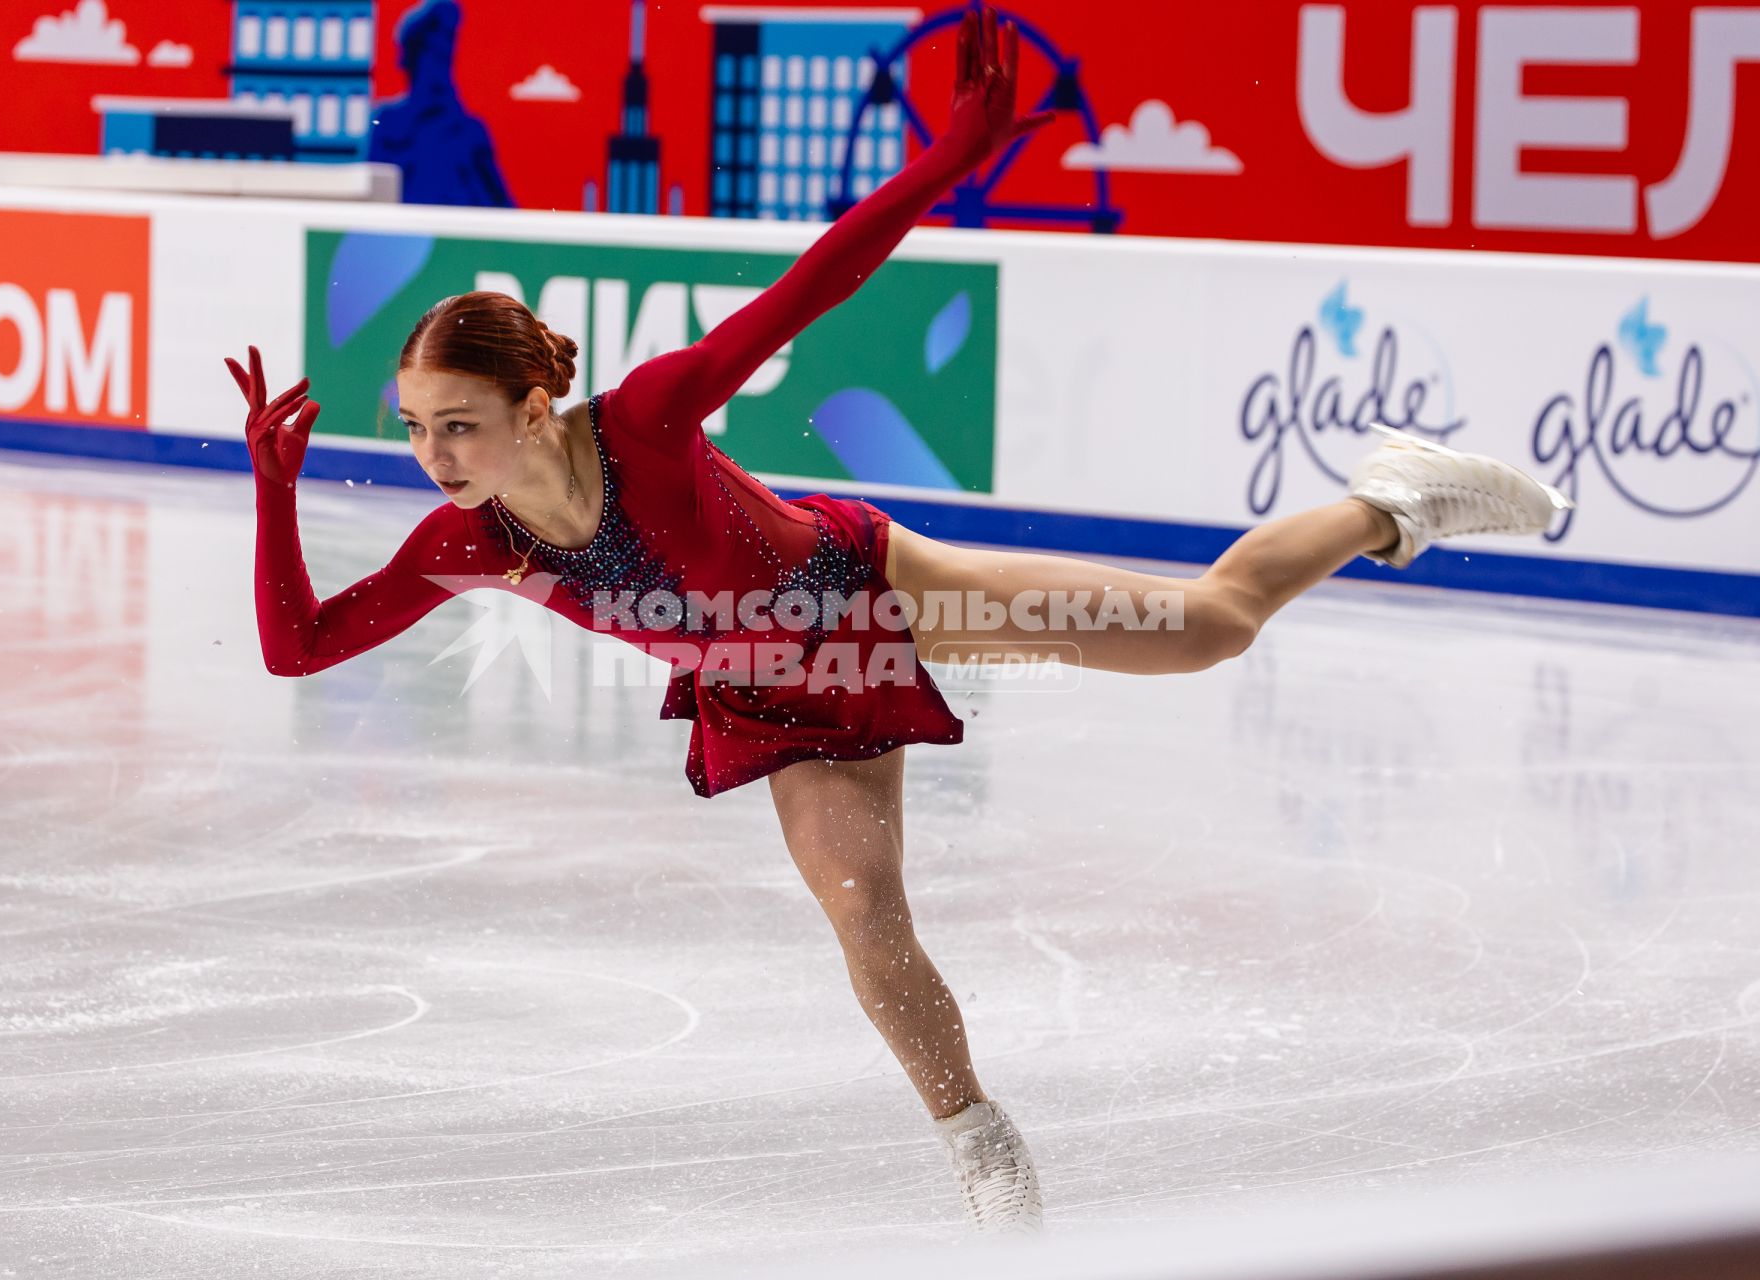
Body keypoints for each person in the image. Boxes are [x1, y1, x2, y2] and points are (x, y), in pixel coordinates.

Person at [236, 5, 1570, 1235]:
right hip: (770, 696)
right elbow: (298, 648)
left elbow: (818, 281)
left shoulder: (643, 418)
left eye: (454, 425)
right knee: (868, 918)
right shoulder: (463, 540)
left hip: (872, 594)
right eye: (413, 428)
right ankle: (980, 1143)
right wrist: (275, 495)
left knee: (1211, 625)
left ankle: (1390, 499)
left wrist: (956, 154)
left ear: (534, 407)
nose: (430, 454)